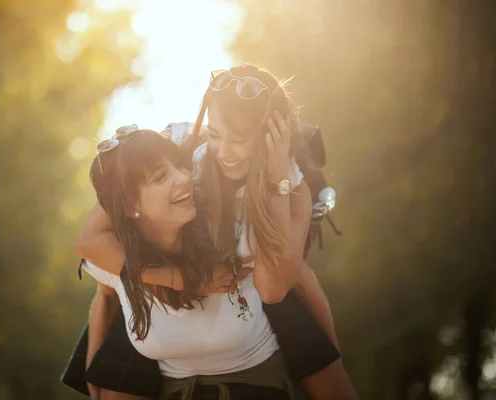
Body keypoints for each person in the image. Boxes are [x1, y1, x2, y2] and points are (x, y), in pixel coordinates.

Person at [64, 64, 356, 399]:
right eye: (215, 134)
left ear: (273, 134)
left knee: (317, 353)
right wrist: (181, 278)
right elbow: (91, 243)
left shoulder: (292, 186)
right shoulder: (181, 152)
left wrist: (277, 180)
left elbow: (278, 287)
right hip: (162, 292)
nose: (224, 152)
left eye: (239, 139)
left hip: (256, 290)